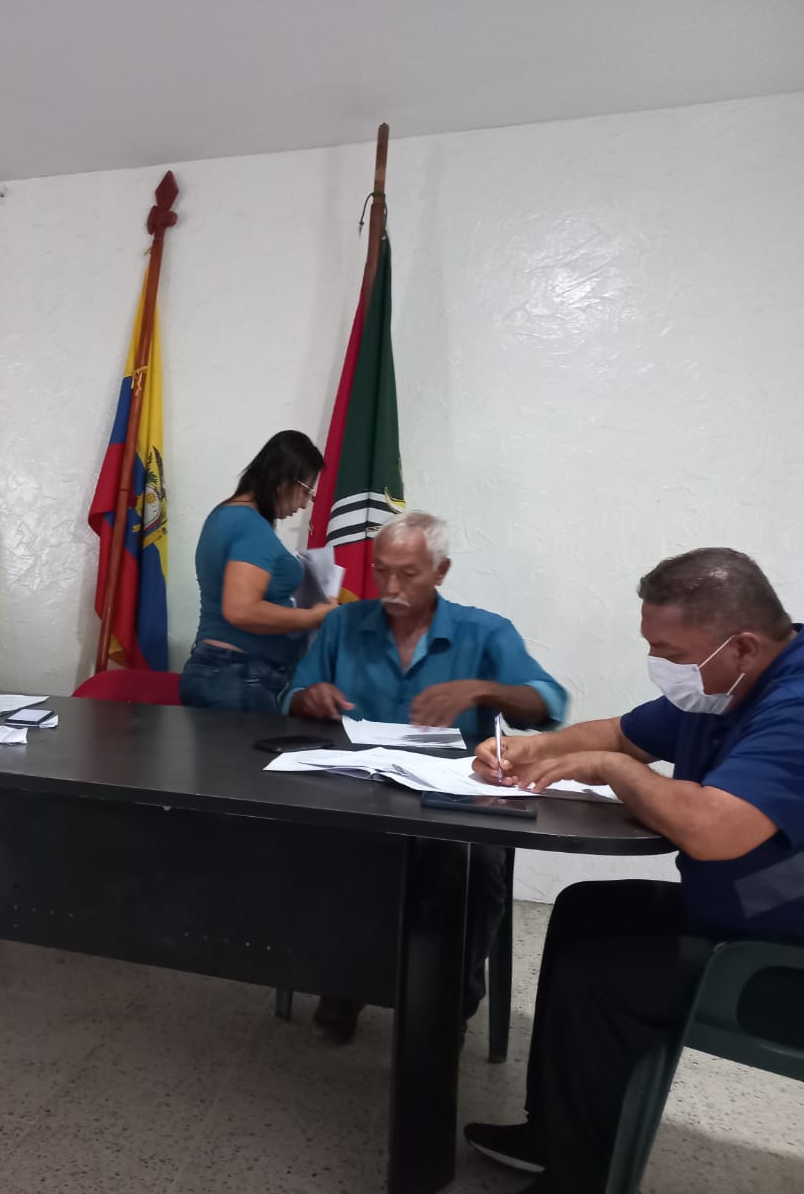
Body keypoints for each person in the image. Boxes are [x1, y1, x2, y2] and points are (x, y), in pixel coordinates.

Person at [463, 548, 804, 1194]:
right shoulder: (728, 685)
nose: (659, 666)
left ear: (742, 647)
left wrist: (614, 771)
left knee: (600, 980)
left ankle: (576, 1181)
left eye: (670, 653)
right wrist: (530, 748)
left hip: (782, 966)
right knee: (587, 911)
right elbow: (623, 734)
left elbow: (712, 829)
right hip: (746, 920)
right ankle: (553, 1135)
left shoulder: (795, 708)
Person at [288, 511, 568, 1043]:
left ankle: (448, 1003)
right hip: (357, 789)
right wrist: (309, 698)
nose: (391, 587)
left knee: (473, 867)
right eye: (382, 571)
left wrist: (483, 689)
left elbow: (549, 702)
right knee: (323, 849)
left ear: (441, 571)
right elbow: (294, 694)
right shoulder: (343, 624)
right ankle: (342, 985)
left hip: (450, 799)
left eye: (408, 573)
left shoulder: (484, 631)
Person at [179, 430, 337, 711]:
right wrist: (313, 617)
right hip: (238, 678)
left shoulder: (223, 515)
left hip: (222, 674)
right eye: (306, 491)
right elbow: (241, 610)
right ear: (285, 480)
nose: (304, 504)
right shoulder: (250, 526)